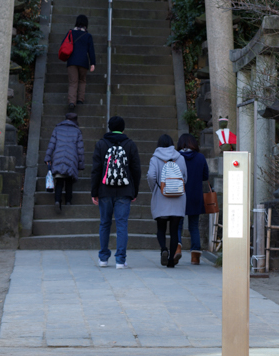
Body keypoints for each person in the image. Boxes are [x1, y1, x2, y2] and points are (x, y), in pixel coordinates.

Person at [91, 116, 141, 268]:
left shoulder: (101, 144)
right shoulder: (130, 144)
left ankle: (103, 258)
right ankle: (120, 260)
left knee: (104, 223)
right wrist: (134, 191)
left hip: (105, 190)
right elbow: (136, 170)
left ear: (109, 127)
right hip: (124, 190)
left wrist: (94, 192)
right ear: (123, 128)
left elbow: (96, 170)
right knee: (122, 225)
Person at [148, 134, 188, 268]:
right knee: (174, 230)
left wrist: (156, 188)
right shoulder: (180, 157)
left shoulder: (155, 158)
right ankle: (171, 261)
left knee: (161, 228)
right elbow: (185, 177)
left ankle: (163, 249)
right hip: (178, 198)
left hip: (161, 197)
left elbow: (151, 176)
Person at [176, 133, 211, 264]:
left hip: (179, 195)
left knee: (178, 225)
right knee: (194, 226)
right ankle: (195, 256)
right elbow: (205, 176)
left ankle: (177, 247)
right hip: (195, 195)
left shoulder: (176, 157)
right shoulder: (200, 157)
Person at [44, 112, 83, 211]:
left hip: (58, 157)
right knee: (69, 181)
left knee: (59, 181)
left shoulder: (57, 129)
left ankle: (57, 201)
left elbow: (51, 144)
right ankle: (68, 201)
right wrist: (80, 164)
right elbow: (80, 149)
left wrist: (48, 157)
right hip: (71, 159)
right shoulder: (77, 131)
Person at [64, 14, 96, 110]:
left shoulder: (70, 33)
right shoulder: (88, 36)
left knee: (73, 82)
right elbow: (91, 51)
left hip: (72, 61)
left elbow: (63, 45)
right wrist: (93, 63)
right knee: (82, 81)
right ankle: (80, 100)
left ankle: (71, 102)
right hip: (83, 62)